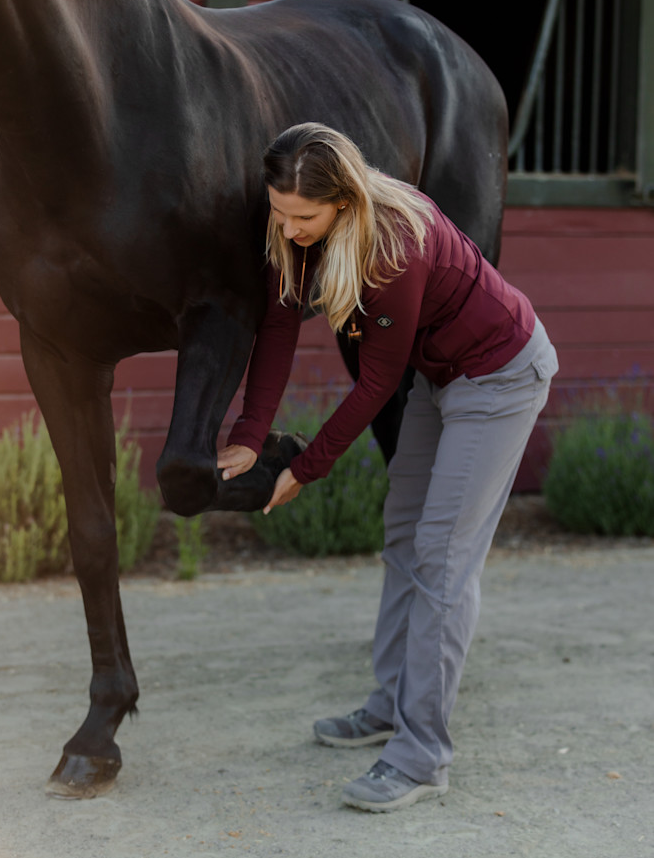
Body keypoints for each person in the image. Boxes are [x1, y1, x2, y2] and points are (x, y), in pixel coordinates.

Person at [217, 122, 558, 813]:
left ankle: (421, 753)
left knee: (442, 559)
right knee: (403, 530)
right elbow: (280, 323)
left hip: (499, 376)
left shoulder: (393, 245)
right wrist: (252, 434)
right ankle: (388, 703)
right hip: (442, 377)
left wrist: (305, 469)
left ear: (343, 201)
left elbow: (374, 385)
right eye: (278, 212)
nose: (288, 227)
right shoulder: (299, 225)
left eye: (303, 217)